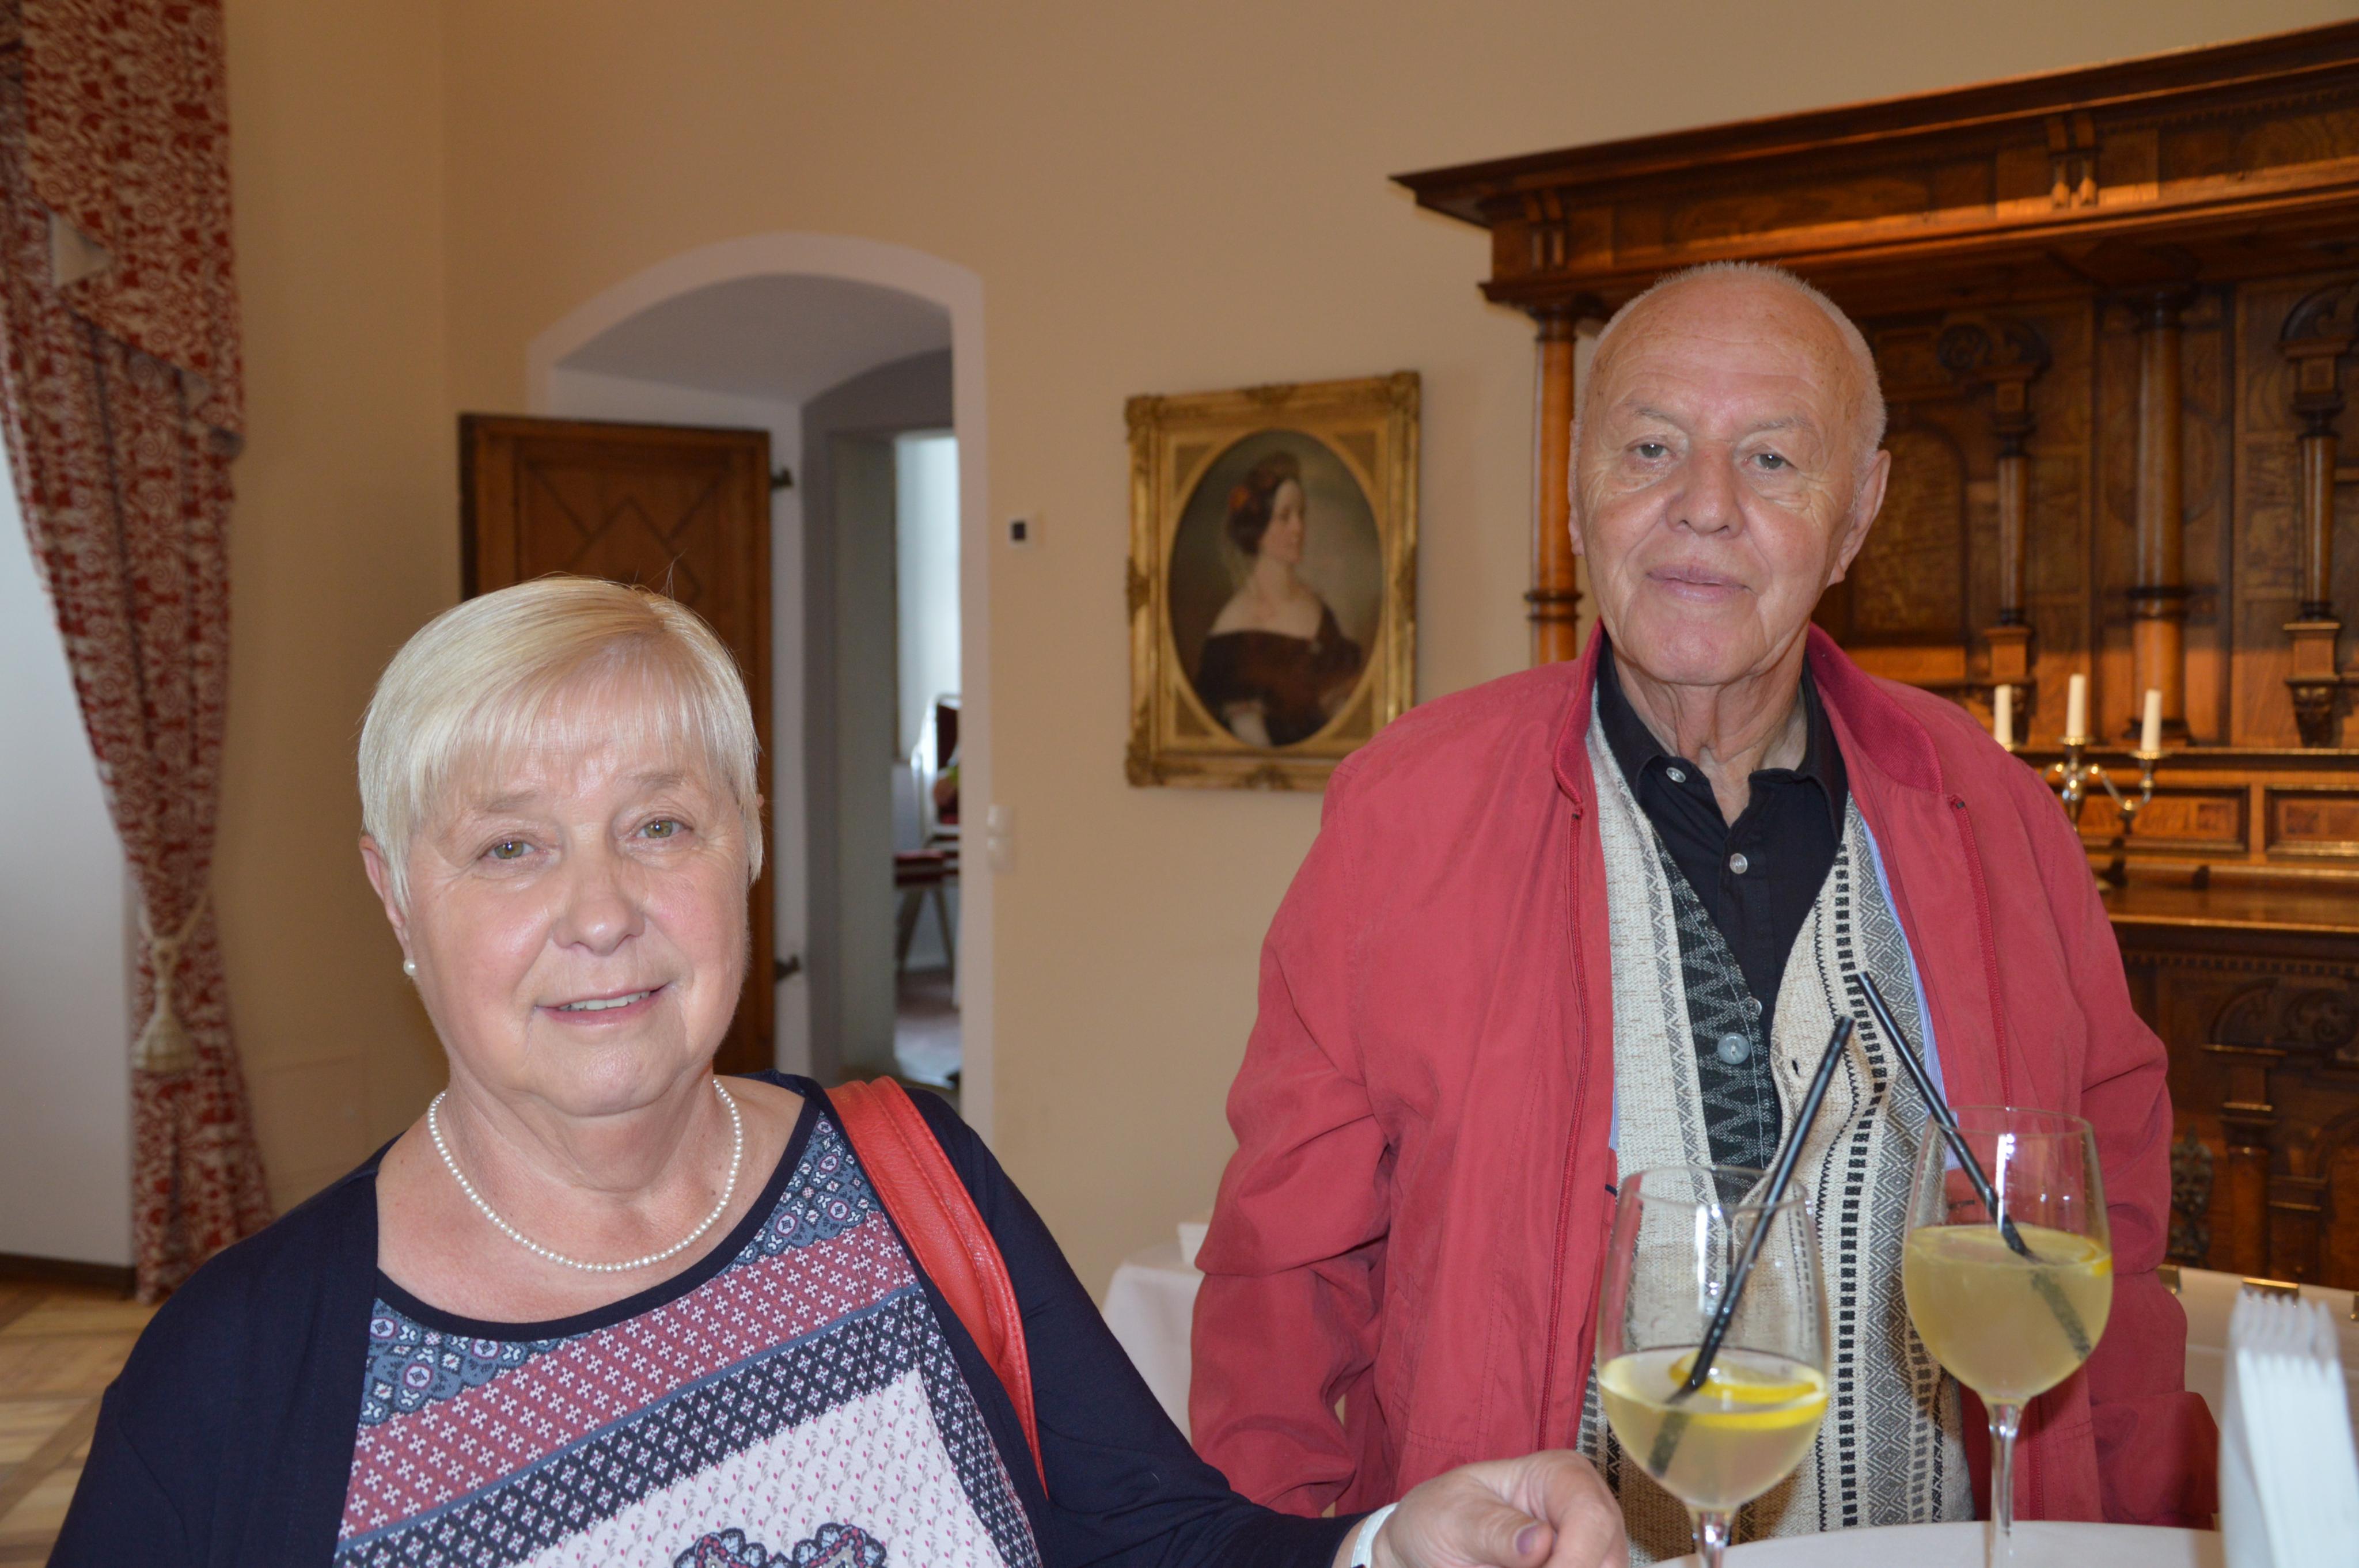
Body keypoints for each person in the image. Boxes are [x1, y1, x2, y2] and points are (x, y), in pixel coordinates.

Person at [51, 576, 1625, 1568]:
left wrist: (1379, 1551)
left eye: (661, 824)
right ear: (397, 896)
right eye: (511, 847)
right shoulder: (235, 1380)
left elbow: (1151, 1537)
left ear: (746, 843)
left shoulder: (909, 1174)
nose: (601, 912)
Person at [1190, 264, 2214, 1555]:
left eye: (1772, 458)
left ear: (1858, 512)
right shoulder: (1404, 814)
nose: (1704, 504)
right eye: (1651, 447)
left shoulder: (1996, 813)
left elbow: (2108, 1236)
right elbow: (1283, 1280)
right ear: (1578, 490)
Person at [1194, 450, 1365, 746]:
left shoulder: (1316, 609)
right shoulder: (1233, 627)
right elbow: (1249, 736)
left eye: (1301, 514)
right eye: (1284, 517)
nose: (1298, 528)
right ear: (1258, 528)